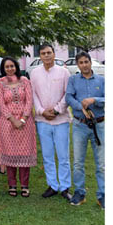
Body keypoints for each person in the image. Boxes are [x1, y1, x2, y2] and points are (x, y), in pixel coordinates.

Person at [30, 43, 72, 201]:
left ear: (54, 54)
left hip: (60, 119)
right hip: (43, 120)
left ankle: (65, 186)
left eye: (49, 52)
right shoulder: (35, 73)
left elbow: (67, 94)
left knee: (63, 155)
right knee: (47, 155)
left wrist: (56, 110)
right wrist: (42, 111)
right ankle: (53, 185)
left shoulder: (64, 72)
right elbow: (33, 95)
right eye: (43, 53)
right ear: (40, 56)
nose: (46, 55)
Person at [65, 51, 105, 209]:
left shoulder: (101, 80)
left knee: (101, 163)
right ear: (78, 65)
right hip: (79, 125)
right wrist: (81, 107)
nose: (84, 65)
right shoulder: (73, 80)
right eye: (81, 62)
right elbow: (69, 97)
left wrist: (94, 100)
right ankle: (79, 193)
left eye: (86, 62)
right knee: (78, 162)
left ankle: (102, 195)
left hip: (99, 125)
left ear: (90, 62)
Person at [0, 57, 36, 197]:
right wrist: (13, 120)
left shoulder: (24, 81)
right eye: (7, 67)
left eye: (12, 66)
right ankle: (12, 185)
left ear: (16, 67)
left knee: (25, 152)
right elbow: (1, 104)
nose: (10, 69)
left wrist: (23, 119)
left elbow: (29, 101)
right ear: (3, 69)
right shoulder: (0, 83)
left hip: (25, 123)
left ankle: (25, 185)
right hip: (7, 123)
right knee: (10, 152)